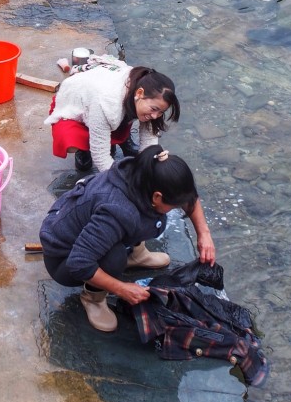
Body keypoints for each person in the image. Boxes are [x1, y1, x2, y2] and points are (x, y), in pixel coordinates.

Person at [39, 145, 216, 331]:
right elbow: (79, 263)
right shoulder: (117, 211)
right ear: (157, 197)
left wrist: (204, 234)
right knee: (114, 258)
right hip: (63, 258)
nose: (176, 208)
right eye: (173, 206)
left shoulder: (147, 172)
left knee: (139, 220)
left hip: (96, 233)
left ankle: (136, 255)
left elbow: (189, 197)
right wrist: (121, 288)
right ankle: (93, 298)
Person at [45, 61, 179, 173]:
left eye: (161, 112)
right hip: (75, 107)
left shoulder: (148, 94)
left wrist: (151, 161)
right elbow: (101, 157)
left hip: (106, 106)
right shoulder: (107, 102)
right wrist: (123, 181)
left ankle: (122, 138)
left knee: (129, 116)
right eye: (154, 109)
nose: (156, 116)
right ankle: (83, 149)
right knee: (74, 141)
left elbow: (149, 141)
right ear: (139, 93)